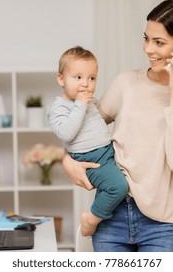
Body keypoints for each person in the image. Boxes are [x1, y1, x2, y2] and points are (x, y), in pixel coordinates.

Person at [62, 0, 173, 252]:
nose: (148, 49)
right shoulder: (126, 83)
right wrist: (67, 160)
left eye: (159, 42)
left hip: (162, 225)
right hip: (111, 216)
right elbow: (82, 129)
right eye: (146, 39)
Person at [49, 46, 129, 236]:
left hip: (106, 151)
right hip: (90, 158)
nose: (86, 84)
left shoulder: (88, 100)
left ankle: (100, 214)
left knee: (112, 185)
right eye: (78, 77)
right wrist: (80, 105)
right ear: (61, 79)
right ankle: (91, 219)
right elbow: (66, 134)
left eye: (91, 78)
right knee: (119, 187)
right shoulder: (59, 107)